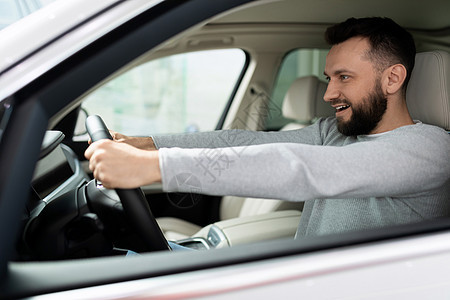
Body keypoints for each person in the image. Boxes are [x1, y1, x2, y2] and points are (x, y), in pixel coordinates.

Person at [85, 17, 450, 238]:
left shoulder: (430, 148)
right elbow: (243, 140)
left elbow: (302, 169)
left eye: (344, 77)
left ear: (393, 78)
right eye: (328, 78)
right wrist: (148, 144)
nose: (329, 93)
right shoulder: (337, 133)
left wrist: (153, 168)